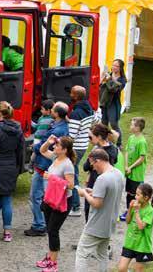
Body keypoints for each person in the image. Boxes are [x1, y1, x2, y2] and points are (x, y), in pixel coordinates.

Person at [75, 149, 124, 272]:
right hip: (109, 224)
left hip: (96, 225)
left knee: (81, 253)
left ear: (98, 160)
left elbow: (97, 203)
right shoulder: (118, 174)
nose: (93, 168)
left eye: (93, 164)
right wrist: (94, 192)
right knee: (102, 255)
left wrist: (84, 193)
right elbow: (109, 195)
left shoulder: (102, 179)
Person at [26, 102, 70, 237]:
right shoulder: (61, 126)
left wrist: (33, 148)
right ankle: (43, 224)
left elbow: (42, 147)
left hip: (43, 166)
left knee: (37, 196)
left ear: (56, 113)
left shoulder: (56, 130)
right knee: (44, 196)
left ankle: (40, 225)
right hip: (46, 166)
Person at [35, 136, 76, 272]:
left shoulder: (67, 164)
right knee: (50, 229)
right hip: (50, 199)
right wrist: (49, 141)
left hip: (62, 202)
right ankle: (50, 258)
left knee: (53, 230)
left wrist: (51, 177)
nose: (54, 147)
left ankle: (53, 264)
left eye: (57, 145)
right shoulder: (55, 158)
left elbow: (71, 185)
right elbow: (42, 150)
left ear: (64, 150)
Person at [0, 101, 23, 243]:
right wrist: (18, 169)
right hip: (11, 167)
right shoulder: (18, 129)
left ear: (0, 113)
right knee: (7, 200)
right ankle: (7, 232)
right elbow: (20, 151)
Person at [118, 183, 153, 272]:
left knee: (138, 270)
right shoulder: (134, 206)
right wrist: (130, 208)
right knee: (121, 269)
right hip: (130, 243)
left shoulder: (150, 210)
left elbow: (141, 226)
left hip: (142, 246)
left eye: (138, 195)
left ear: (146, 198)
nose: (135, 197)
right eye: (136, 194)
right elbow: (127, 221)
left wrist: (137, 211)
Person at [83, 124, 119, 222]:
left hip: (95, 182)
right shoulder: (114, 148)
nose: (89, 140)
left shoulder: (97, 151)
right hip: (108, 182)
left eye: (90, 137)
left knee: (90, 210)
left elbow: (85, 167)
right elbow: (114, 162)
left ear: (98, 137)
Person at [68, 85, 94, 217]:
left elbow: (71, 135)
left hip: (75, 147)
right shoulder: (88, 108)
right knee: (74, 172)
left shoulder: (76, 113)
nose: (70, 95)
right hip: (83, 146)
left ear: (76, 96)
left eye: (72, 93)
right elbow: (94, 120)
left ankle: (75, 206)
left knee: (72, 176)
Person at [121, 117, 147, 222]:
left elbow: (142, 158)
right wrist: (126, 166)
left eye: (132, 125)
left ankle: (135, 213)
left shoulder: (142, 141)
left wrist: (131, 167)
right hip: (129, 172)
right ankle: (129, 210)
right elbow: (127, 151)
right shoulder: (131, 138)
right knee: (129, 193)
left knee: (136, 194)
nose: (130, 126)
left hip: (137, 174)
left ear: (138, 127)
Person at [99, 59, 127, 149]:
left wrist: (109, 79)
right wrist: (103, 77)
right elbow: (100, 85)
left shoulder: (123, 80)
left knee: (114, 124)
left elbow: (113, 89)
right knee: (104, 123)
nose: (114, 67)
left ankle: (119, 143)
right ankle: (103, 140)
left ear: (120, 68)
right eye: (113, 65)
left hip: (113, 103)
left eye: (116, 66)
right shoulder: (110, 75)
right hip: (105, 102)